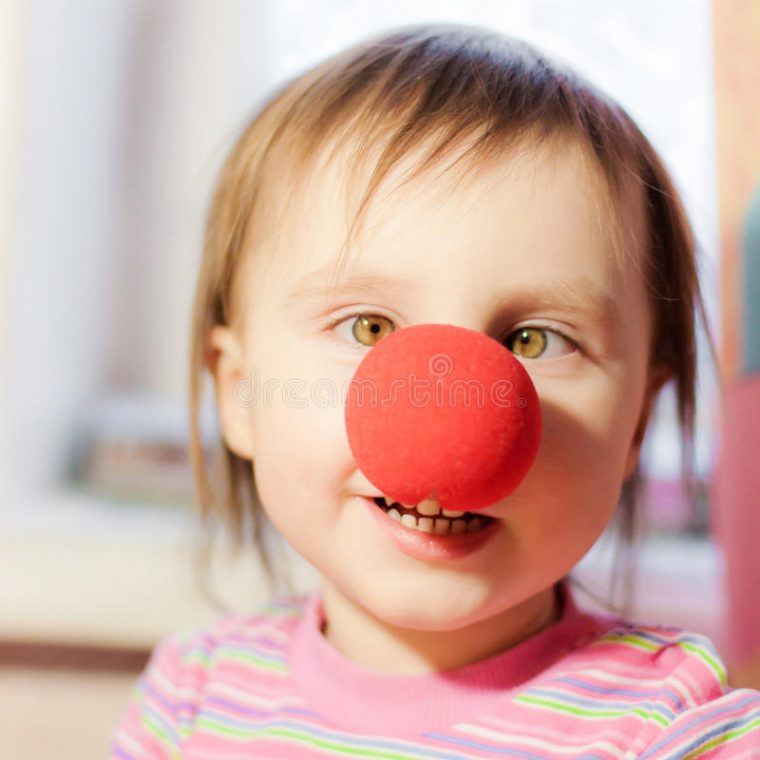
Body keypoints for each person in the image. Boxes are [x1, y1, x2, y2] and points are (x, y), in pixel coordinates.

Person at [110, 23, 760, 758]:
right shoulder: (189, 704)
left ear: (636, 423)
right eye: (368, 328)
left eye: (534, 341)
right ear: (240, 393)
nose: (452, 417)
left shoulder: (676, 732)